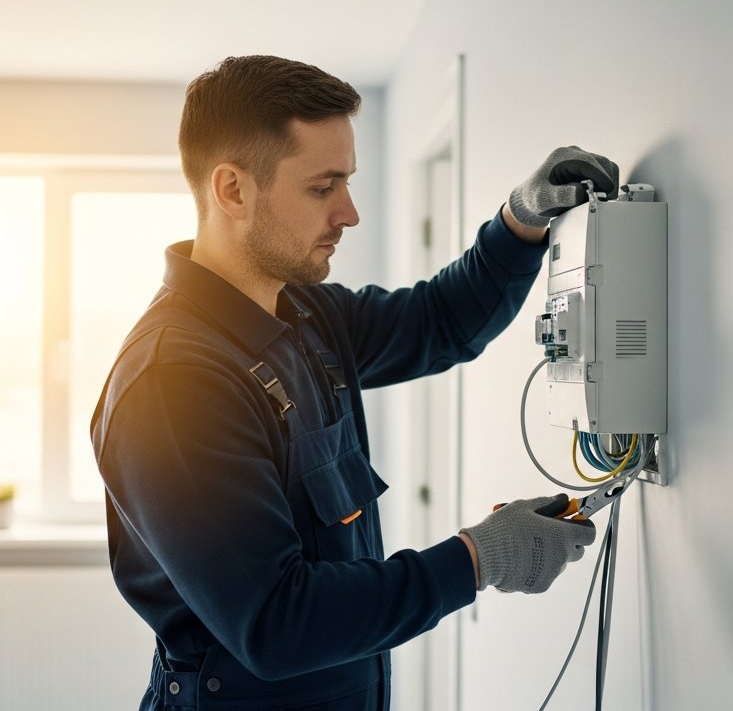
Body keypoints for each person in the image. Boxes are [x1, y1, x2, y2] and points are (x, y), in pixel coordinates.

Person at [91, 55, 619, 710]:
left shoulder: (305, 315)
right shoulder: (175, 383)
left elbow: (438, 322)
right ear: (233, 190)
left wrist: (520, 221)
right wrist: (478, 559)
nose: (349, 213)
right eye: (323, 188)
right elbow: (278, 623)